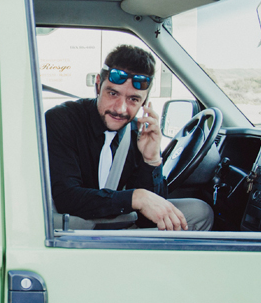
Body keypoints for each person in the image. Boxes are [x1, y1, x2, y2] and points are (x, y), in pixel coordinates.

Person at [45, 44, 214, 231]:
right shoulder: (62, 120)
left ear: (145, 101)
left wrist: (152, 161)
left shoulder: (139, 131)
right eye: (112, 93)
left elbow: (154, 212)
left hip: (118, 222)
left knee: (200, 212)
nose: (121, 109)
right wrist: (136, 198)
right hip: (75, 229)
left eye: (133, 99)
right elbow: (66, 198)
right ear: (98, 84)